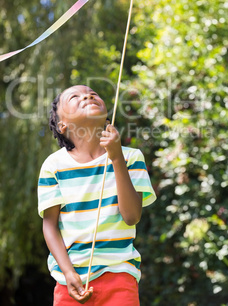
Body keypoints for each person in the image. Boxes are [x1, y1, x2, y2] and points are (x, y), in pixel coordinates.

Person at [37, 85, 156, 305]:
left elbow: (131, 216)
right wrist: (68, 273)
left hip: (119, 276)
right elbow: (49, 226)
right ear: (63, 125)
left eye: (93, 94)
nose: (88, 96)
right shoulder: (53, 166)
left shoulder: (130, 158)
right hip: (70, 282)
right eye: (75, 97)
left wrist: (117, 158)